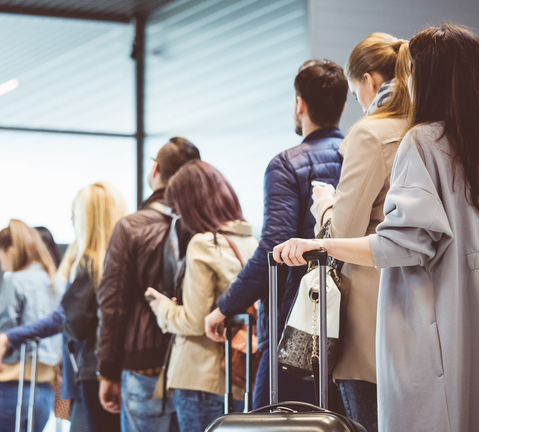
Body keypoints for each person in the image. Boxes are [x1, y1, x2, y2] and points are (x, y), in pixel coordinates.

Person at [273, 24, 478, 432]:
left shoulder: (419, 141)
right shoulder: (477, 140)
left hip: (418, 313)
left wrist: (321, 234)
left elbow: (404, 241)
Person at [204, 59, 348, 408]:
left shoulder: (286, 164)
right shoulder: (357, 157)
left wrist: (224, 307)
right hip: (350, 320)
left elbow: (274, 247)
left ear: (299, 104)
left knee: (276, 418)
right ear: (343, 106)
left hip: (296, 324)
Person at [306, 33, 412, 432]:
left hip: (369, 306)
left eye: (356, 91)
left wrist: (325, 204)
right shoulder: (430, 127)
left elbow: (342, 232)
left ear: (368, 80)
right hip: (416, 305)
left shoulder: (371, 133)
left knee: (364, 419)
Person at [0, 182, 129, 432]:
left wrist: (8, 337)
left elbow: (65, 320)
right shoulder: (118, 264)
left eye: (76, 214)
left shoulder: (92, 266)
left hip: (96, 376)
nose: (71, 219)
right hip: (107, 376)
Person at [95, 137, 201, 432]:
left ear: (155, 169)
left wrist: (108, 370)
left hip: (144, 364)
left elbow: (113, 305)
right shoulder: (205, 226)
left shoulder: (131, 227)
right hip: (195, 363)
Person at [146, 160, 258, 431]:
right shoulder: (249, 241)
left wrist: (163, 309)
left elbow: (197, 321)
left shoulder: (203, 243)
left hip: (200, 374)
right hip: (237, 374)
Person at [0, 220, 62, 432]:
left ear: (10, 250)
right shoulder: (56, 281)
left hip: (10, 384)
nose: (1, 264)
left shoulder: (15, 280)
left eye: (0, 257)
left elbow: (8, 337)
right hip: (44, 388)